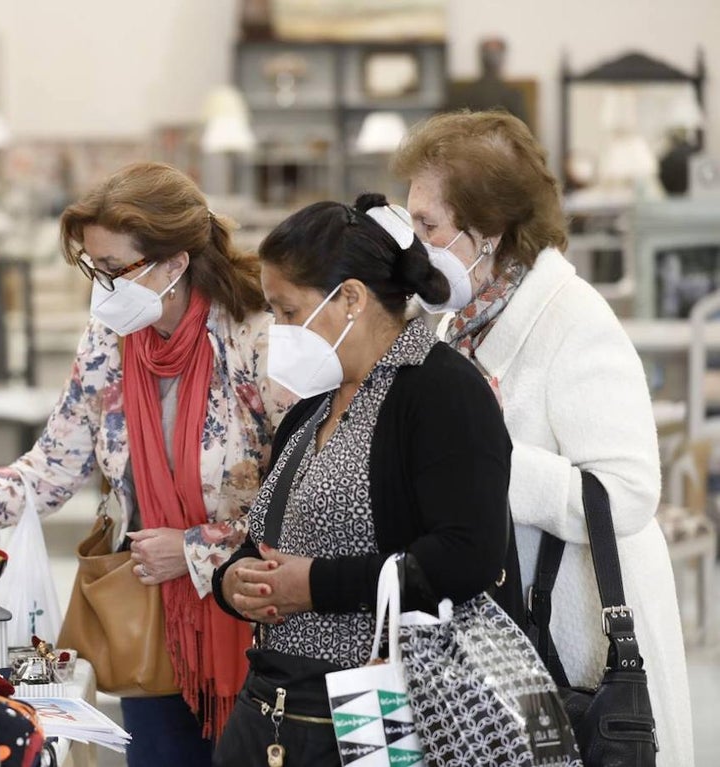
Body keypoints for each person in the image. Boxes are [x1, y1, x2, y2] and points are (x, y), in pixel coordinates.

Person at [0, 161, 294, 766]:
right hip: (149, 625)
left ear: (175, 263)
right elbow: (49, 471)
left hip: (256, 624)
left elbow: (304, 493)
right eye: (92, 269)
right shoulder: (109, 340)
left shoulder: (258, 337)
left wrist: (197, 548)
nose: (101, 288)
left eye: (113, 270)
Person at [392, 109, 693, 765]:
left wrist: (486, 465)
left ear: (490, 232)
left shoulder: (575, 320)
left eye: (429, 226)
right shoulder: (452, 321)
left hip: (581, 643)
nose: (413, 247)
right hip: (508, 638)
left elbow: (629, 491)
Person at [211, 193, 513, 765]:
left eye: (288, 311)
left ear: (349, 298)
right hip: (274, 703)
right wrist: (235, 580)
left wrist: (317, 586)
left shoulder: (442, 392)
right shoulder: (311, 408)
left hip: (378, 706)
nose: (278, 330)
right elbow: (272, 537)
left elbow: (467, 555)